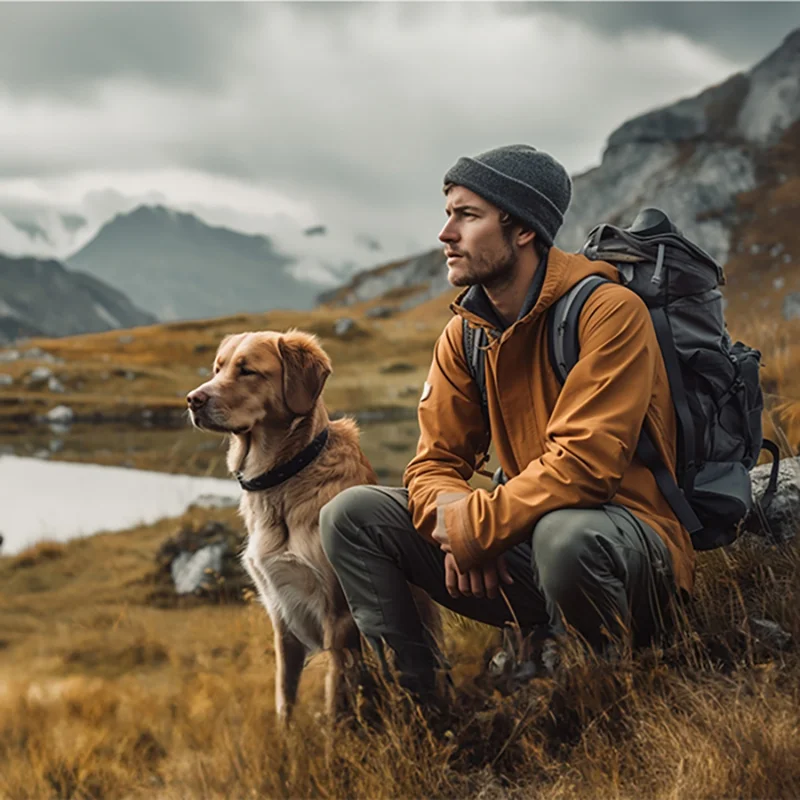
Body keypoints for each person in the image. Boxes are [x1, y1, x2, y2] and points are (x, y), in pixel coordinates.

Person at [320, 144, 694, 702]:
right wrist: (466, 523)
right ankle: (420, 712)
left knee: (565, 536)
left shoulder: (609, 312)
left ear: (521, 229)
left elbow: (586, 467)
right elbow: (434, 464)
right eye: (448, 213)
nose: (446, 233)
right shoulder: (465, 333)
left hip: (626, 549)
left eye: (466, 215)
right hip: (524, 542)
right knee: (352, 513)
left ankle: (606, 696)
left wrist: (480, 528)